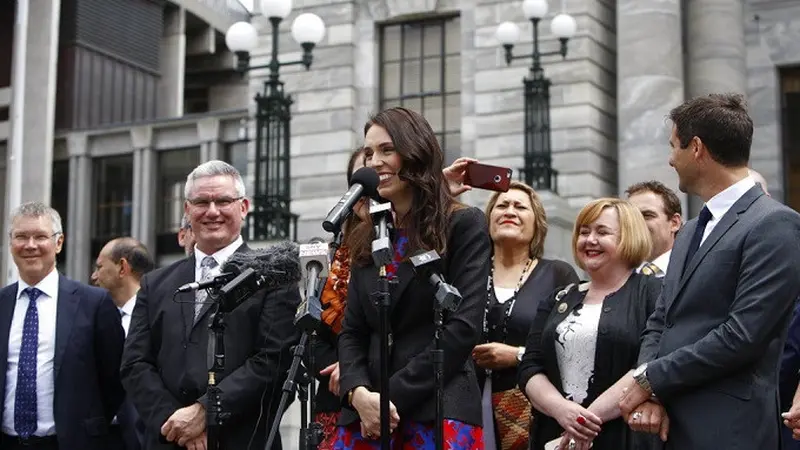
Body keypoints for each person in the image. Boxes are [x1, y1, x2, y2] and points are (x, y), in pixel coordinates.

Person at [619, 93, 800, 450]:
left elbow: (743, 335)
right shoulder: (687, 231)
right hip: (664, 426)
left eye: (674, 147)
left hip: (728, 430)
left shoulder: (776, 224)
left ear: (697, 148)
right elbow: (661, 320)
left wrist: (651, 379)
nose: (671, 160)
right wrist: (650, 391)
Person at [336, 107, 491, 449]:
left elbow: (463, 328)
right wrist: (358, 393)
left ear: (415, 151)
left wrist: (390, 397)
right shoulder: (367, 236)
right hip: (367, 415)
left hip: (435, 406)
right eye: (369, 153)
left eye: (386, 150)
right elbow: (352, 331)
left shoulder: (463, 224)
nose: (374, 162)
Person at [121, 160, 302, 450]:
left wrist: (206, 412)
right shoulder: (156, 284)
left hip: (242, 440)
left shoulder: (272, 276)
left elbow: (273, 362)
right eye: (202, 202)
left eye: (223, 201)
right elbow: (134, 364)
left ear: (243, 207)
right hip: (169, 439)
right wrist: (176, 423)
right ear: (187, 210)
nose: (212, 211)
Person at [518, 198, 662, 450]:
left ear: (629, 236)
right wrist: (562, 410)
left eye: (602, 232)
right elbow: (530, 366)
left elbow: (650, 362)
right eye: (584, 232)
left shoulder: (654, 292)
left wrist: (583, 422)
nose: (590, 240)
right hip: (553, 435)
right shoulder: (558, 298)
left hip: (624, 438)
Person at [0, 202, 125, 450]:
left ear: (58, 243)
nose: (30, 245)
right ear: (10, 243)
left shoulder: (94, 303)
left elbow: (116, 379)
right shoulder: (1, 303)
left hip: (69, 442)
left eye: (40, 236)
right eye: (21, 237)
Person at [475, 181, 579, 450]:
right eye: (502, 205)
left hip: (531, 408)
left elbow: (573, 348)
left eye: (520, 206)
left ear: (537, 225)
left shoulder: (558, 274)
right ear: (489, 219)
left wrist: (518, 355)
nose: (510, 211)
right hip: (466, 403)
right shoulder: (468, 274)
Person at [92, 237, 154, 450]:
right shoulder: (95, 318)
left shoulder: (158, 317)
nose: (93, 276)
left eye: (99, 267)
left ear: (122, 268)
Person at [625, 181, 683, 276]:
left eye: (647, 215)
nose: (637, 223)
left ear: (674, 223)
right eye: (631, 217)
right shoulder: (613, 277)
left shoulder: (693, 271)